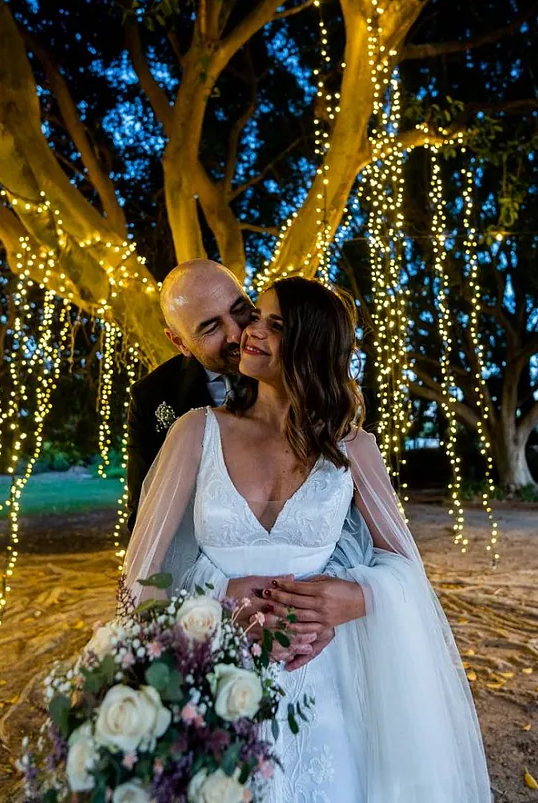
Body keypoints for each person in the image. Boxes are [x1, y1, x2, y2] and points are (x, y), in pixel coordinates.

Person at [123, 276, 492, 801]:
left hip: (329, 678)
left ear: (312, 346)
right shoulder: (193, 430)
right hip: (215, 670)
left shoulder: (352, 446)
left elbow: (406, 567)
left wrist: (356, 596)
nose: (249, 331)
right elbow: (138, 578)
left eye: (270, 322)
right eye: (256, 318)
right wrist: (218, 599)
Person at [126, 259, 371, 668]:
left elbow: (343, 509)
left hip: (319, 646)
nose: (239, 333)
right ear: (179, 342)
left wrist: (328, 604)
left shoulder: (321, 386)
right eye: (210, 327)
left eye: (241, 310)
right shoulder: (160, 401)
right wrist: (214, 603)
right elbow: (147, 537)